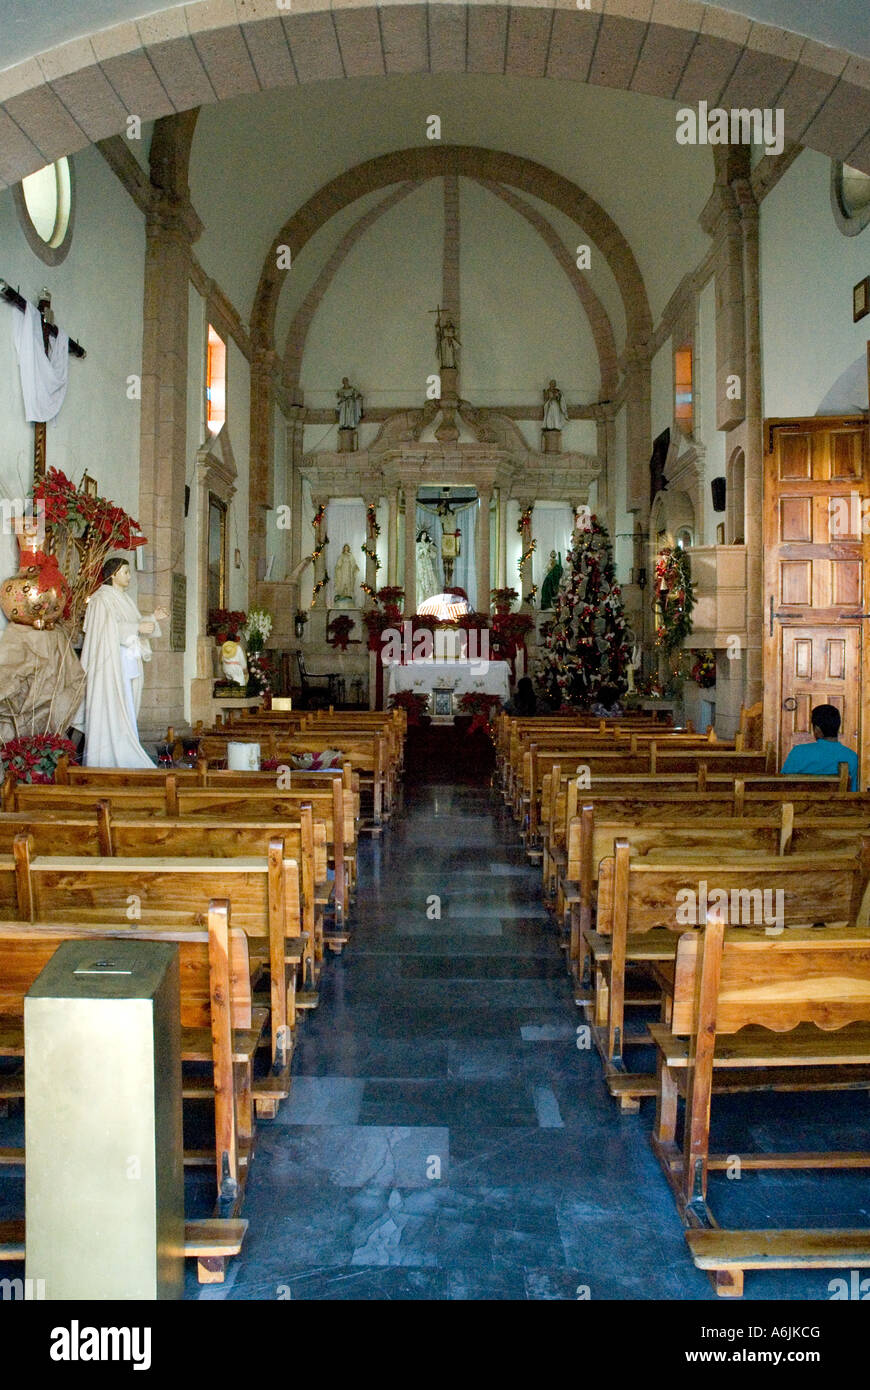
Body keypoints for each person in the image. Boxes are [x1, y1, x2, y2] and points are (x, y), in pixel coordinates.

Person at [76, 556, 168, 768]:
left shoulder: (124, 598)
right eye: (125, 572)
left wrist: (152, 619)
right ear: (113, 574)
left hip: (126, 665)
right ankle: (109, 757)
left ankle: (125, 751)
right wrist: (136, 628)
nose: (129, 576)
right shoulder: (101, 599)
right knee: (112, 710)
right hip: (110, 667)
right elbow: (105, 630)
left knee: (125, 709)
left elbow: (133, 626)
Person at [781, 703, 859, 790]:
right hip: (837, 803)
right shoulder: (852, 757)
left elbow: (783, 785)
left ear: (817, 730)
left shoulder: (798, 752)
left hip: (801, 803)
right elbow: (853, 790)